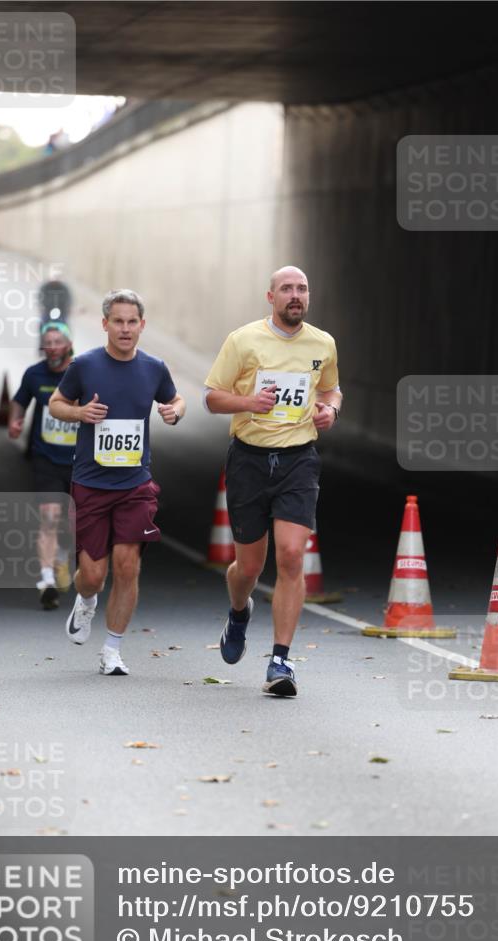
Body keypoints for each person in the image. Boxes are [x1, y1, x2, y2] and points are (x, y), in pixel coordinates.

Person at [205, 265, 342, 697]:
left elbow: (332, 390)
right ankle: (239, 610)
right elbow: (211, 397)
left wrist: (330, 410)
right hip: (248, 459)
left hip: (298, 460)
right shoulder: (242, 340)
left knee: (290, 557)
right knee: (248, 567)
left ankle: (281, 660)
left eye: (302, 288)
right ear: (271, 297)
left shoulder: (323, 343)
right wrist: (249, 401)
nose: (295, 295)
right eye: (287, 289)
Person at [48, 289, 185, 676]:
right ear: (104, 324)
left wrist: (174, 411)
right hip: (90, 483)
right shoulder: (86, 365)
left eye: (132, 322)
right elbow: (55, 403)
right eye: (118, 321)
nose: (125, 329)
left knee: (128, 566)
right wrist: (79, 412)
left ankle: (112, 649)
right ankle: (86, 600)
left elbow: (178, 400)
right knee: (93, 575)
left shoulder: (154, 367)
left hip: (135, 483)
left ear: (142, 325)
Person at [9, 322, 77, 609]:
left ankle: (62, 555)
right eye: (47, 342)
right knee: (49, 517)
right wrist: (15, 421)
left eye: (56, 342)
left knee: (75, 523)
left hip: (80, 462)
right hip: (46, 458)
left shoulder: (83, 373)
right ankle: (46, 580)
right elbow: (19, 401)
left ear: (68, 344)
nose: (51, 348)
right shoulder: (34, 374)